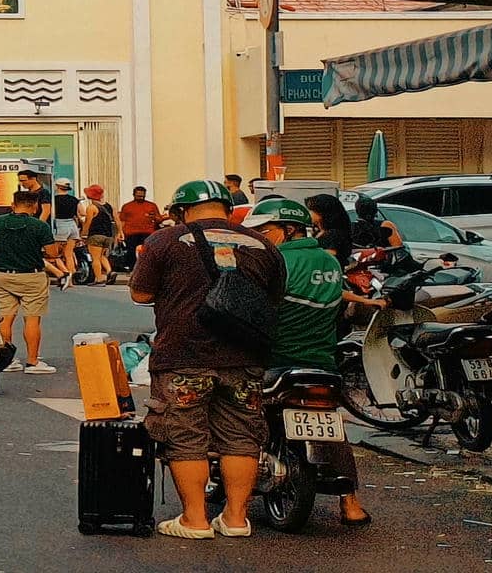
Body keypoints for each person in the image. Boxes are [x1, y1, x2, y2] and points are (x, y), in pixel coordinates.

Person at [129, 179, 286, 540]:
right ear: (228, 209)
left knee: (185, 436)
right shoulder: (262, 244)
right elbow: (274, 298)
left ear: (181, 210)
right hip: (245, 356)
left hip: (184, 356)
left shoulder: (164, 241)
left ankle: (195, 520)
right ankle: (235, 519)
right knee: (242, 437)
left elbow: (140, 294)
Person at [241, 198, 373, 527]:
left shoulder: (273, 261)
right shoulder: (329, 262)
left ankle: (235, 500)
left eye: (264, 231)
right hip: (322, 361)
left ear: (288, 229)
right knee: (330, 424)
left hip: (274, 360)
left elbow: (248, 310)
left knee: (235, 410)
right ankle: (351, 503)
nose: (260, 237)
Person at [0, 189, 56, 374]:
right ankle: (32, 362)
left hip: (3, 274)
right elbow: (52, 253)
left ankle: (6, 360)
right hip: (32, 276)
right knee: (32, 318)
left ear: (13, 205)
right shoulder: (40, 226)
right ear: (35, 206)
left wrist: (2, 251)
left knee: (5, 317)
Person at [117, 185, 161, 272]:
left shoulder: (151, 205)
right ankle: (132, 268)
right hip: (131, 232)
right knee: (131, 251)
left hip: (147, 232)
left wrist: (154, 217)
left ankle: (147, 268)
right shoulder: (127, 206)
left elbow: (159, 219)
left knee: (147, 251)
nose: (141, 198)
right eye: (138, 196)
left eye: (142, 196)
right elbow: (122, 221)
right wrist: (120, 233)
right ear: (134, 195)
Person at [79, 184, 117, 286]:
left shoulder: (91, 207)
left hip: (96, 235)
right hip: (108, 236)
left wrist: (83, 235)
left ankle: (99, 279)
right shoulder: (109, 206)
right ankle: (109, 271)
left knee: (95, 258)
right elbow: (116, 219)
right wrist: (120, 232)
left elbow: (88, 223)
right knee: (101, 256)